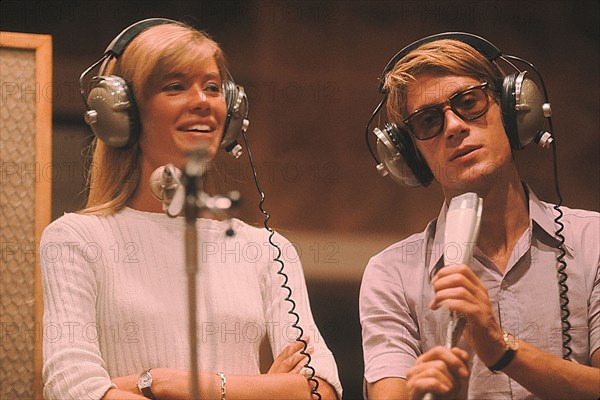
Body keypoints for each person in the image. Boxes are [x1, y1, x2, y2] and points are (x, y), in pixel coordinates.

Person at [40, 19, 342, 400]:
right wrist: (264, 389)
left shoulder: (268, 248)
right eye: (175, 87)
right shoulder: (75, 240)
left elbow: (321, 389)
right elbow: (72, 387)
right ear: (122, 113)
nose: (202, 101)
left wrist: (164, 382)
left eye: (213, 87)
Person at [359, 33, 599, 399]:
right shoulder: (391, 274)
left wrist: (501, 349)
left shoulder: (593, 241)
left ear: (510, 109)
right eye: (427, 121)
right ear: (409, 155)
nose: (454, 126)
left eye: (469, 102)